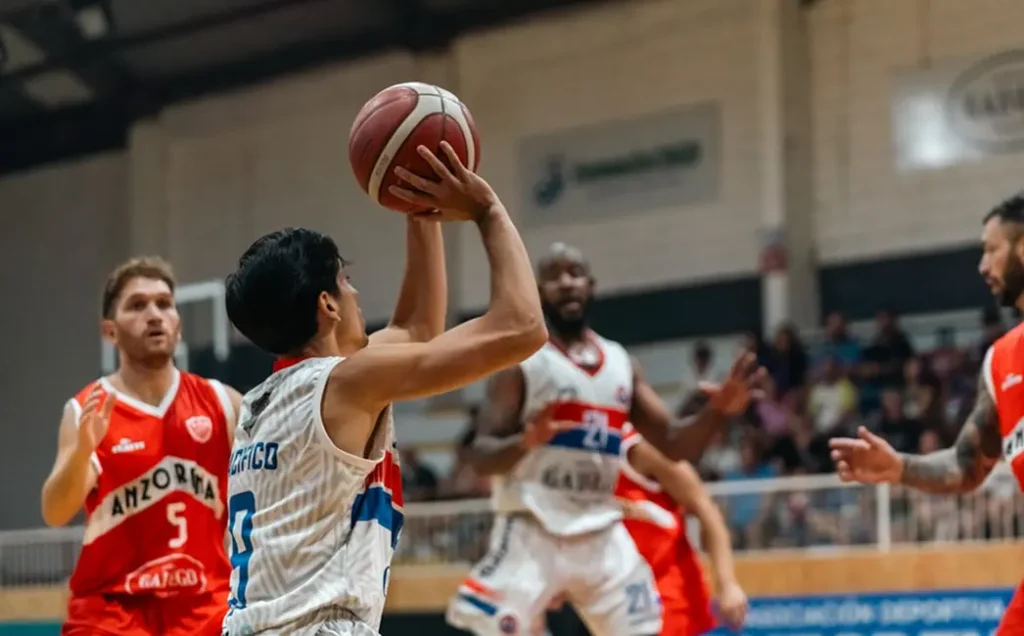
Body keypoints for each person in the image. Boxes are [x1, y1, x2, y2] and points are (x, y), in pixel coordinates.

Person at [220, 142, 546, 636]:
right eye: (346, 282)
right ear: (327, 306)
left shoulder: (267, 401)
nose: (355, 294)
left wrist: (422, 210)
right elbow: (522, 327)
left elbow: (417, 328)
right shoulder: (344, 384)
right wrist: (487, 210)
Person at [445, 242, 764, 636]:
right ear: (539, 290)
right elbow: (479, 455)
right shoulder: (522, 366)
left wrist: (718, 413)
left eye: (574, 273)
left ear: (591, 286)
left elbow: (674, 443)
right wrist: (526, 441)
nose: (565, 283)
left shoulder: (620, 363)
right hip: (533, 526)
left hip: (599, 529)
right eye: (554, 276)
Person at [829, 192, 1024, 635]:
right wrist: (898, 467)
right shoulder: (1001, 363)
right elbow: (965, 465)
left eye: (991, 249)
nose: (982, 265)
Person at [41, 257, 243, 636]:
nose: (154, 315)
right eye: (137, 305)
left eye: (164, 304)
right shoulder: (86, 409)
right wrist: (83, 451)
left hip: (204, 607)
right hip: (113, 612)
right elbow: (55, 512)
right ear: (109, 332)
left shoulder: (223, 403)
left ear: (178, 325)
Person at [616, 436, 748, 635]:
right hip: (613, 592)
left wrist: (727, 583)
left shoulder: (641, 450)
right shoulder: (574, 455)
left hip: (667, 593)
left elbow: (708, 510)